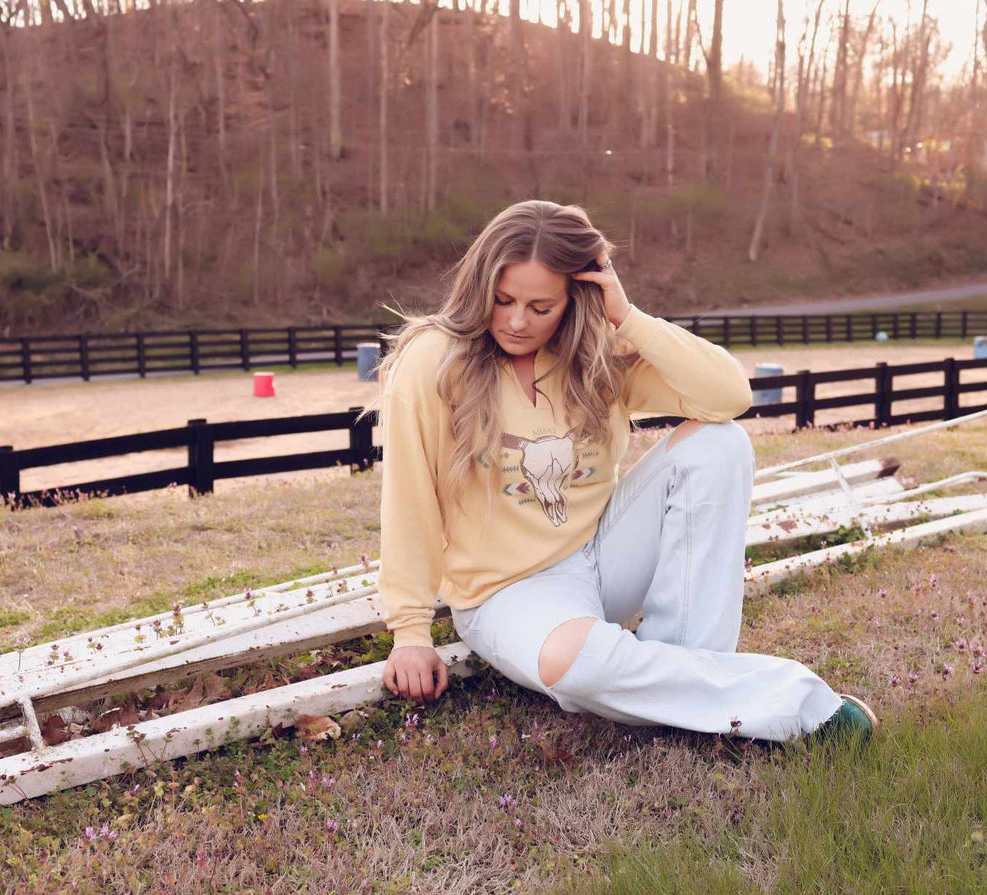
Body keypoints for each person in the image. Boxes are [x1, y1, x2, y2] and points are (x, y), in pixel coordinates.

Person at [369, 200, 876, 745]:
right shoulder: (433, 360)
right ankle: (794, 705)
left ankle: (688, 676)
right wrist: (410, 631)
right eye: (503, 300)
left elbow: (729, 395)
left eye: (541, 306)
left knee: (720, 445)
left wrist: (627, 316)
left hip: (604, 554)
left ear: (574, 299)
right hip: (507, 592)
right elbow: (408, 498)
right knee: (578, 667)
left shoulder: (597, 354)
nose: (517, 321)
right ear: (478, 288)